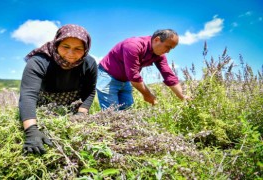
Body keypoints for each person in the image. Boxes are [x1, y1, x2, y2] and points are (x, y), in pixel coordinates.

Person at [19, 24, 97, 154]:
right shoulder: (39, 61)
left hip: (71, 109)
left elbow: (90, 90)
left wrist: (81, 113)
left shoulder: (89, 63)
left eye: (78, 48)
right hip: (42, 110)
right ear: (56, 44)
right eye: (65, 47)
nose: (71, 54)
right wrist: (31, 130)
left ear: (86, 49)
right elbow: (28, 94)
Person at [96, 29, 190, 110]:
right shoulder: (133, 45)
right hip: (107, 76)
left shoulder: (159, 55)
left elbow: (168, 75)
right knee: (111, 112)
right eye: (168, 47)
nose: (168, 51)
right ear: (157, 40)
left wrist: (182, 96)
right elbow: (134, 76)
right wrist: (148, 95)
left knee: (127, 109)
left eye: (171, 49)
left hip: (125, 79)